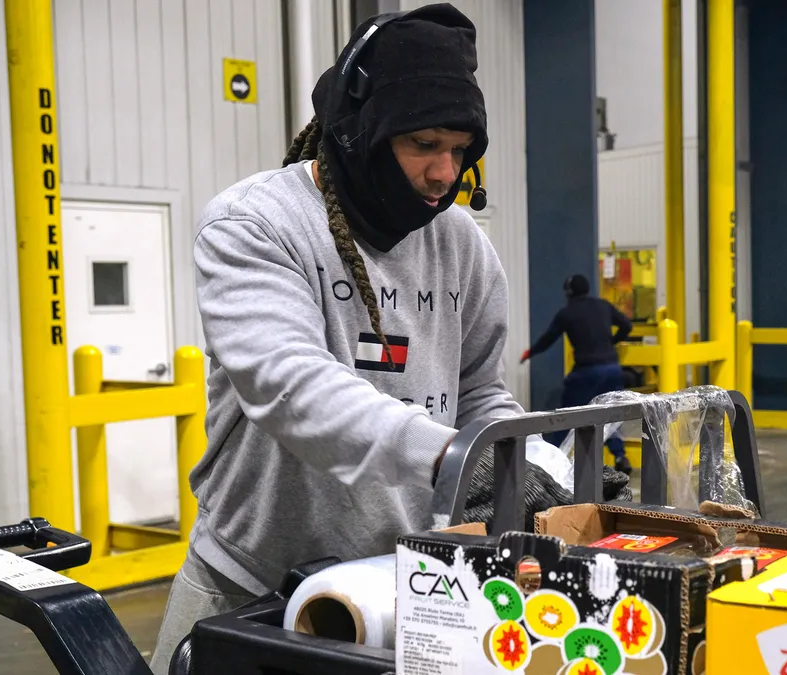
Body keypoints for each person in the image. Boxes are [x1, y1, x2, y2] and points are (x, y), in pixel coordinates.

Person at [148, 5, 529, 671]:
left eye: (460, 149)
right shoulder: (256, 224)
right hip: (247, 587)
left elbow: (479, 392)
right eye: (424, 145)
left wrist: (519, 458)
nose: (445, 175)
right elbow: (294, 388)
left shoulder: (462, 243)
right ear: (357, 134)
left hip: (392, 589)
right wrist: (452, 453)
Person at [520, 274, 635, 474]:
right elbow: (627, 325)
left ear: (567, 292)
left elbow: (548, 338)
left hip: (586, 372)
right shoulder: (603, 306)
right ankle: (620, 456)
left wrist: (530, 352)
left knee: (568, 414)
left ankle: (555, 459)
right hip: (611, 369)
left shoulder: (567, 313)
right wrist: (612, 342)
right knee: (612, 413)